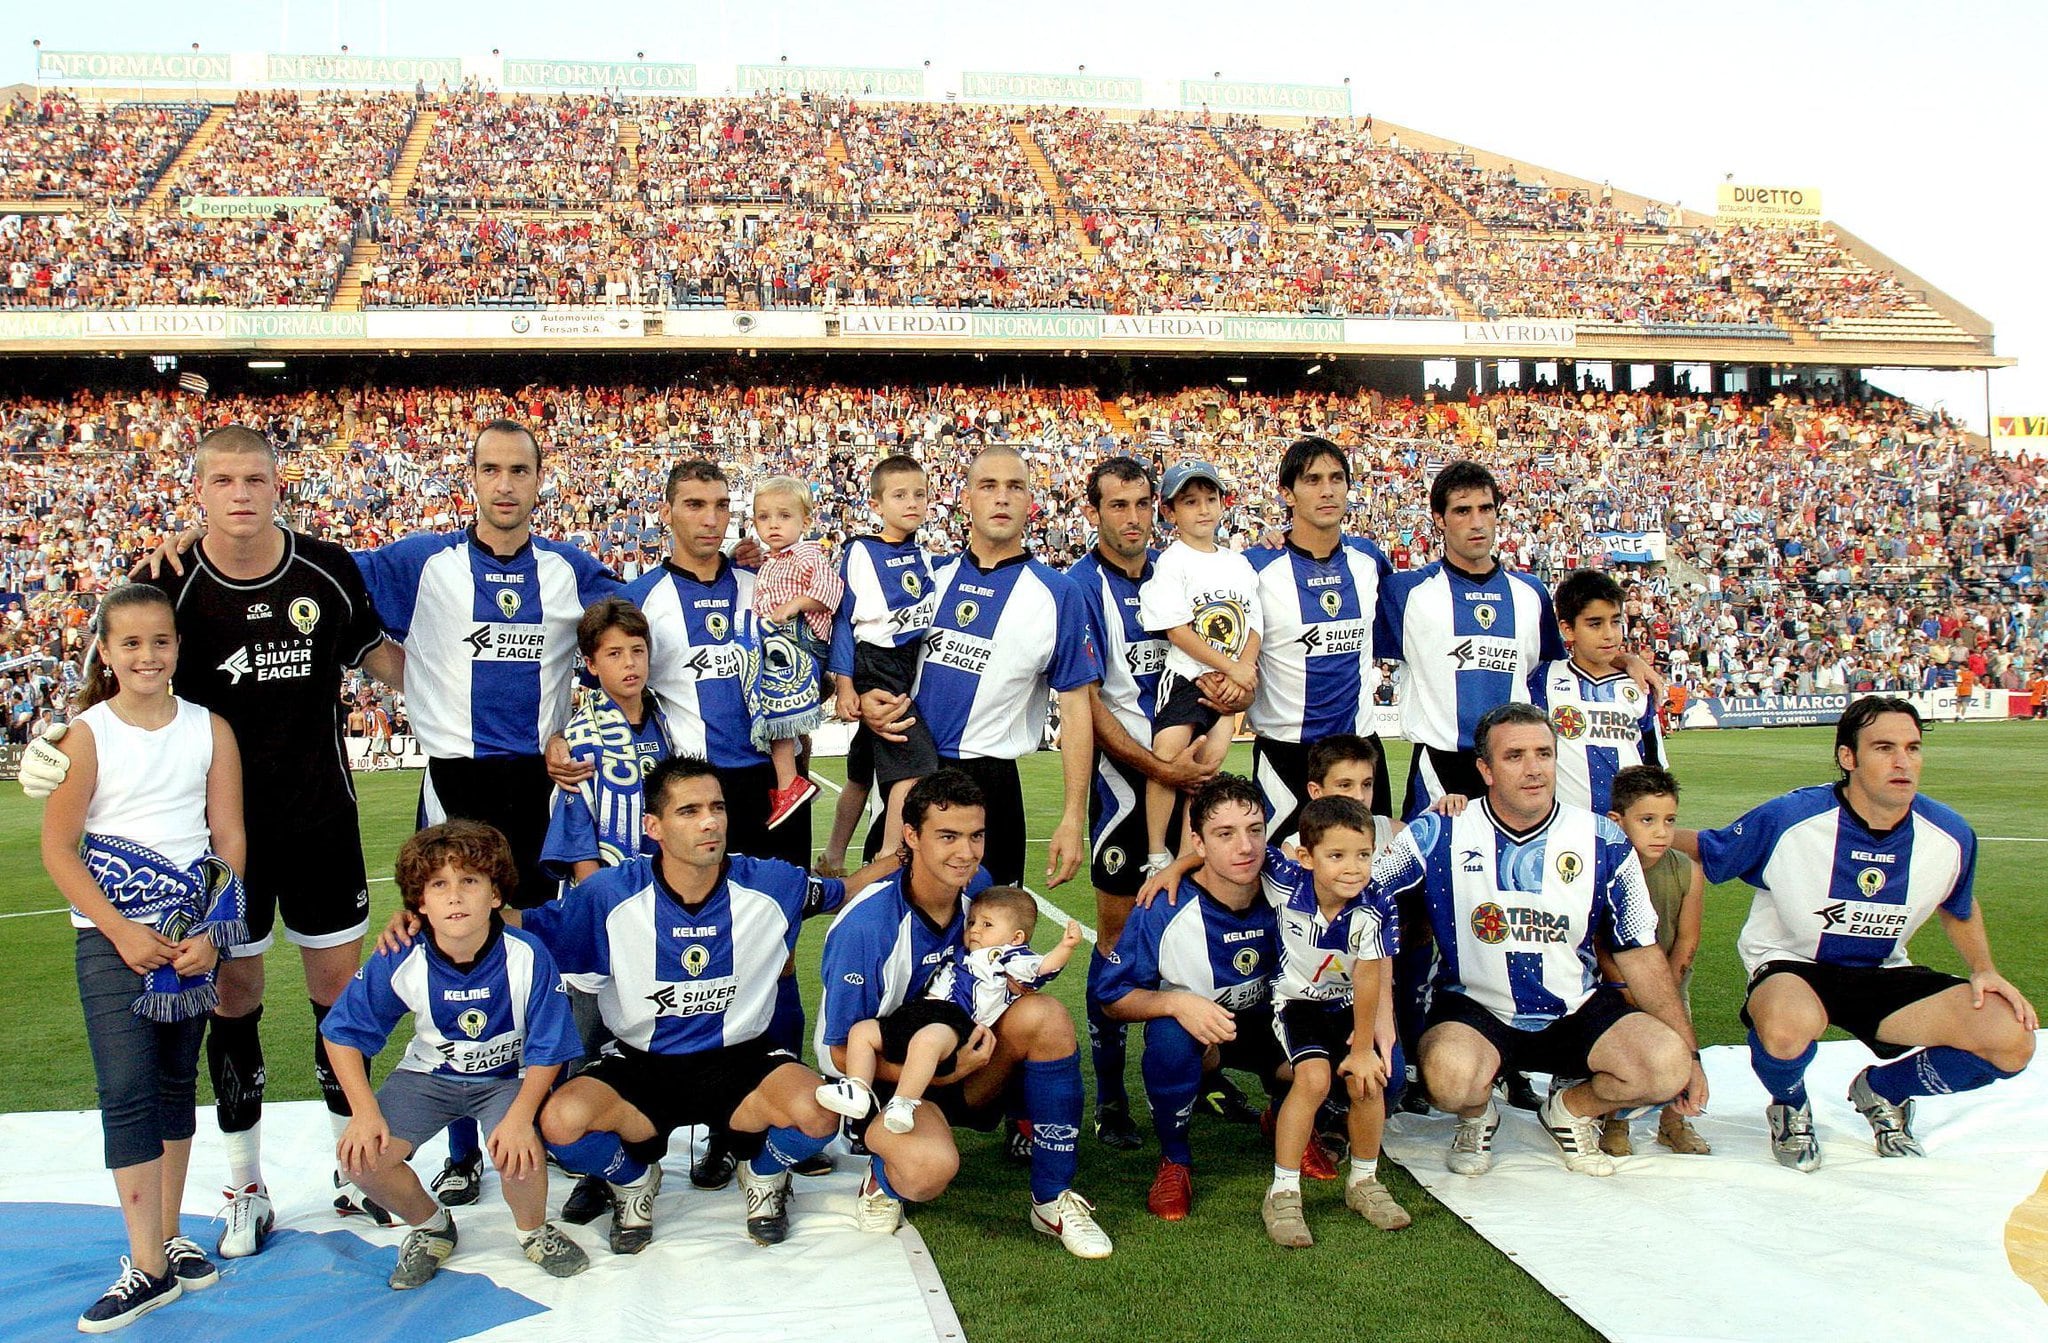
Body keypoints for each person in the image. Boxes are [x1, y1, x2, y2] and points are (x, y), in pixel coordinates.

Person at [22, 424, 404, 1256]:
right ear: (198, 490)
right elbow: (118, 668)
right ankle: (245, 1182)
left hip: (322, 822)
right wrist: (58, 738)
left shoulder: (327, 571)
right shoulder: (166, 579)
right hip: (219, 840)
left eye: (256, 478)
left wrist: (484, 715)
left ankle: (353, 1167)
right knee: (233, 997)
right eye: (223, 479)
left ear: (279, 484)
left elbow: (386, 664)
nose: (240, 493)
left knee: (340, 996)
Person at [355, 418, 621, 1208]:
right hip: (455, 783)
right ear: (469, 477)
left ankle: (537, 1121)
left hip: (538, 790)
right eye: (491, 469)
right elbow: (323, 581)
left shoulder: (570, 570)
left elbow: (646, 619)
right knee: (452, 957)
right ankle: (464, 1148)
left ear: (542, 479)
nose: (505, 484)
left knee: (538, 964)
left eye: (520, 470)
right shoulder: (421, 560)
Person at [523, 757, 896, 1251]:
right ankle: (632, 1181)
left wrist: (900, 857)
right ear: (652, 826)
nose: (710, 821)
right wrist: (428, 923)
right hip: (641, 1064)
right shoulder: (607, 895)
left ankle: (763, 1177)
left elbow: (842, 891)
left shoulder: (772, 884)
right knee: (560, 1123)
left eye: (717, 807)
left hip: (740, 1060)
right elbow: (520, 924)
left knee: (819, 1113)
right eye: (690, 810)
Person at [1680, 696, 2036, 1171]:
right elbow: (1711, 848)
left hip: (1883, 973)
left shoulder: (1950, 833)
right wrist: (1628, 833)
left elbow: (1960, 903)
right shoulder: (1791, 818)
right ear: (1848, 757)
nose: (1902, 761)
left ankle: (1883, 1091)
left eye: (1912, 747)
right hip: (1794, 967)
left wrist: (1985, 970)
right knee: (1786, 1026)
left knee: (2011, 1038)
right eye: (1884, 747)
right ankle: (1789, 1105)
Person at [1370, 703, 1706, 1179]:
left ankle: (1569, 1110)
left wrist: (1690, 1054)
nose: (1533, 769)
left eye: (1543, 753)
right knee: (1447, 1078)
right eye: (1514, 756)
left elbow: (1641, 951)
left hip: (1577, 1007)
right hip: (1477, 1009)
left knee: (1666, 1066)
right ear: (1484, 769)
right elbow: (1364, 895)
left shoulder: (1602, 838)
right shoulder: (1438, 831)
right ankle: (1476, 1115)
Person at [39, 583, 245, 1332]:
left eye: (160, 641)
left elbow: (229, 838)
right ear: (106, 651)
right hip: (112, 940)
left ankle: (166, 1234)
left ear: (178, 647)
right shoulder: (85, 735)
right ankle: (147, 1265)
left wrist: (213, 930)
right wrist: (121, 929)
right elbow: (59, 849)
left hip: (189, 941)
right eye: (130, 643)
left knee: (171, 1083)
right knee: (125, 1087)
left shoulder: (209, 729)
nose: (147, 655)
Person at [817, 769, 1112, 1258]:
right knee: (926, 1173)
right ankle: (881, 1176)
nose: (966, 853)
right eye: (948, 836)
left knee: (1047, 1016)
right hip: (895, 1084)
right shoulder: (867, 927)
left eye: (975, 836)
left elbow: (1005, 975)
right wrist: (952, 1071)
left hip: (966, 1055)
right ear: (910, 837)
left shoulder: (982, 893)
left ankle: (1051, 1198)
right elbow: (843, 1051)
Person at [321, 821, 588, 1291]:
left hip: (508, 1078)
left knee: (518, 1149)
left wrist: (522, 1116)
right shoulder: (402, 953)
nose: (455, 896)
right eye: (439, 885)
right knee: (361, 1159)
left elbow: (549, 1049)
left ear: (495, 895)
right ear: (420, 902)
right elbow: (343, 1033)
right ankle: (430, 1227)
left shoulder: (526, 954)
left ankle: (533, 1230)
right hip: (430, 1075)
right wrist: (362, 1113)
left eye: (470, 881)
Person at [1376, 459, 1565, 1112]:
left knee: (1509, 914)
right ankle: (1403, 1055)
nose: (1476, 522)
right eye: (1461, 510)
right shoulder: (1406, 592)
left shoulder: (1530, 595)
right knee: (1412, 920)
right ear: (1439, 519)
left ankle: (1508, 1052)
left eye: (1486, 508)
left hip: (1507, 776)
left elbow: (1549, 678)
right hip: (1437, 767)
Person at [1067, 456, 1229, 1149]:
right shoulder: (1079, 586)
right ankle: (1111, 1097)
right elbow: (1090, 703)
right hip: (1122, 790)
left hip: (1187, 777)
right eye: (1118, 505)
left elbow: (1216, 659)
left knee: (1193, 939)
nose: (1132, 517)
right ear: (1094, 512)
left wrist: (1221, 722)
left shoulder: (1181, 569)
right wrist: (1157, 763)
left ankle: (1206, 1068)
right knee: (1114, 948)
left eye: (1141, 503)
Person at [857, 445, 1097, 891]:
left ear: (1031, 501)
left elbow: (1077, 708)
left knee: (990, 939)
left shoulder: (1058, 594)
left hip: (992, 785)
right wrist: (864, 696)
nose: (1001, 498)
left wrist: (1071, 817)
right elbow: (864, 639)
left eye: (1015, 487)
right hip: (912, 772)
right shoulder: (926, 578)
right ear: (966, 499)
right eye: (988, 486)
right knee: (893, 930)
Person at [536, 595, 675, 1223]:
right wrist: (611, 907)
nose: (629, 663)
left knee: (650, 1034)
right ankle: (596, 1168)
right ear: (590, 665)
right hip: (605, 913)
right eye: (614, 653)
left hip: (663, 906)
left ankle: (648, 1151)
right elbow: (576, 842)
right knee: (590, 1039)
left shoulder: (666, 722)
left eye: (637, 651)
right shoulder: (584, 735)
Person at [1098, 775, 1285, 1222]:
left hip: (1275, 1026)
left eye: (1255, 829)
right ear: (1197, 843)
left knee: (1349, 1048)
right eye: (1225, 834)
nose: (1245, 846)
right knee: (1166, 1038)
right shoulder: (1165, 905)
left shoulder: (1291, 883)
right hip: (1205, 1035)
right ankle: (1175, 1159)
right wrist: (1176, 1003)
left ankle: (1287, 1116)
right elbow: (1112, 996)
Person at [1256, 795, 1407, 1247]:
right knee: (1314, 1079)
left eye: (1363, 855)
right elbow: (1238, 851)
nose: (1353, 868)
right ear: (1306, 856)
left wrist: (1363, 1048)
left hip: (1346, 1005)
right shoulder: (1285, 881)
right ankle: (1282, 1192)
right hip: (1296, 1003)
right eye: (1336, 855)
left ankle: (1363, 1181)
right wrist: (1173, 868)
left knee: (1370, 1080)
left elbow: (1368, 975)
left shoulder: (1376, 906)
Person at [819, 887, 1083, 1135]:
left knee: (927, 1042)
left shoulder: (1007, 957)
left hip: (955, 1020)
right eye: (972, 923)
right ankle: (857, 1089)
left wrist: (1065, 948)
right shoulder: (964, 951)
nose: (975, 930)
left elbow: (1042, 968)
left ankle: (904, 1102)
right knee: (862, 1032)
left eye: (987, 925)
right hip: (920, 1011)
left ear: (1016, 938)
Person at [1244, 436, 1396, 838]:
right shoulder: (1254, 567)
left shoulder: (1369, 560)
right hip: (1288, 754)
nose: (1327, 490)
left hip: (1360, 753)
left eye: (1336, 478)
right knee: (1282, 885)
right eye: (1312, 480)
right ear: (1287, 494)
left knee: (1368, 880)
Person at [1138, 460, 1262, 878]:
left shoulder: (1238, 563)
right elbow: (1178, 630)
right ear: (1171, 512)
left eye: (1211, 499)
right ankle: (1157, 852)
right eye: (1191, 502)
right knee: (1169, 757)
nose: (1204, 509)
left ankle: (1185, 851)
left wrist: (1242, 670)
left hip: (1227, 685)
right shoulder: (1173, 563)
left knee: (1206, 771)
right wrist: (1231, 667)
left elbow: (1253, 623)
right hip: (1187, 678)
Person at [823, 454, 941, 872]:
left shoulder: (924, 556)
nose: (912, 502)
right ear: (876, 505)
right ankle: (890, 855)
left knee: (861, 770)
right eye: (899, 495)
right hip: (878, 663)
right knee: (914, 768)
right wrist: (845, 684)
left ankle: (833, 855)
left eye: (920, 494)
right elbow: (843, 618)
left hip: (908, 664)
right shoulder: (860, 551)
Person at [1595, 766, 1708, 1157]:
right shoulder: (1603, 868)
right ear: (1617, 821)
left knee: (1679, 1044)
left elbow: (1688, 937)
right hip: (1618, 985)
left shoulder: (1687, 871)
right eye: (1647, 820)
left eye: (1669, 821)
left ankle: (1674, 1122)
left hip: (1671, 986)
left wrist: (1668, 990)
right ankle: (1616, 1120)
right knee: (1627, 1052)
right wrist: (1625, 986)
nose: (1661, 831)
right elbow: (1598, 941)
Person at [747, 474, 842, 829]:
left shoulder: (805, 553)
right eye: (764, 517)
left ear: (805, 521)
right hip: (779, 638)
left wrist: (796, 604)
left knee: (778, 707)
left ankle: (790, 782)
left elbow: (830, 590)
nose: (773, 524)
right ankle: (793, 776)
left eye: (784, 516)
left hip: (798, 639)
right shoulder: (770, 560)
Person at [1529, 570, 1663, 816]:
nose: (1609, 634)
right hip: (1564, 828)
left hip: (1628, 831)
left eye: (1615, 621)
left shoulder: (1639, 686)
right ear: (1568, 629)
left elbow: (1654, 767)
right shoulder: (1541, 680)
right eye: (1595, 624)